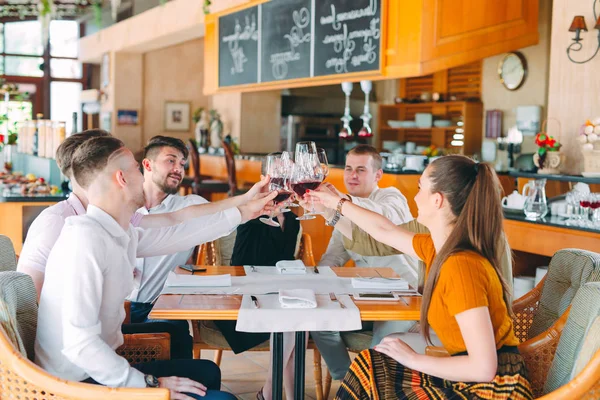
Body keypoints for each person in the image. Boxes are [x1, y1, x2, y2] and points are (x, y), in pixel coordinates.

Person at [35, 136, 276, 399]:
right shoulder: (85, 241)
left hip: (98, 369)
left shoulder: (119, 232)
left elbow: (180, 230)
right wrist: (149, 384)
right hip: (76, 386)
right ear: (121, 179)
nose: (143, 174)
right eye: (138, 168)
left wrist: (246, 210)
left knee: (208, 372)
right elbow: (80, 345)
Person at [306, 155, 532, 399]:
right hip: (469, 377)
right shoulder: (437, 248)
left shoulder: (462, 266)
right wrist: (337, 203)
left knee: (373, 371)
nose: (414, 197)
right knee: (369, 363)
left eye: (419, 188)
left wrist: (414, 359)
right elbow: (384, 231)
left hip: (494, 390)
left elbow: (484, 367)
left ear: (437, 201)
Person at [128, 136, 273, 359]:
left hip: (162, 308)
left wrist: (253, 201)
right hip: (119, 308)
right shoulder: (123, 208)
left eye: (182, 164)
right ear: (147, 165)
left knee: (172, 341)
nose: (178, 169)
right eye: (171, 161)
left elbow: (223, 219)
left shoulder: (190, 205)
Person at [309, 145, 420, 381]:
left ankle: (371, 386)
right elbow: (333, 258)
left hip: (406, 300)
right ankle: (347, 382)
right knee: (319, 320)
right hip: (367, 299)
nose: (352, 175)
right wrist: (310, 277)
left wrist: (341, 202)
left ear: (377, 175)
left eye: (361, 169)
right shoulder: (343, 214)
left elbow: (383, 221)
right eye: (349, 169)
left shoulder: (391, 197)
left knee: (381, 349)